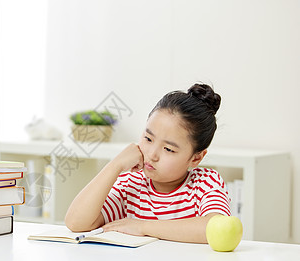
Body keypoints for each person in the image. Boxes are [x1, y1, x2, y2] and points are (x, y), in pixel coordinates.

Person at [65, 83, 231, 244]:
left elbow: (215, 228)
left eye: (168, 149)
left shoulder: (206, 182)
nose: (152, 154)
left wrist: (143, 227)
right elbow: (76, 223)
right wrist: (115, 166)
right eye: (148, 139)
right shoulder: (130, 183)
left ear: (196, 158)